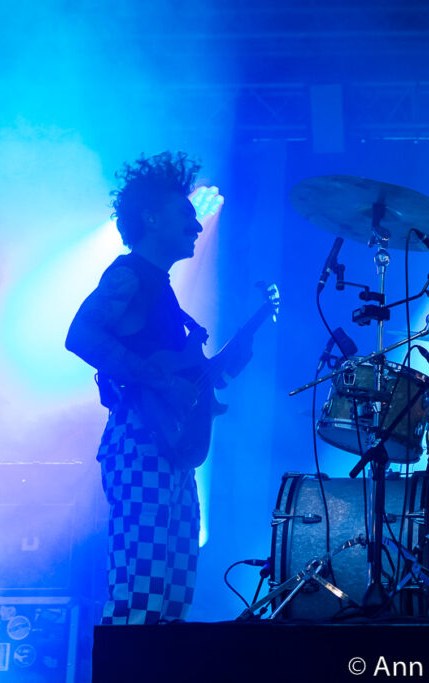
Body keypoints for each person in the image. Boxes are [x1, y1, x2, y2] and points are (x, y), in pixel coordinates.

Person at [66, 151, 250, 624]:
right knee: (140, 589)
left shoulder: (160, 288)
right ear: (151, 218)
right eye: (185, 215)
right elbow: (81, 335)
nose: (197, 226)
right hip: (138, 442)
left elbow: (191, 379)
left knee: (172, 593)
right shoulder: (128, 274)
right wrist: (164, 381)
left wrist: (221, 370)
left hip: (170, 450)